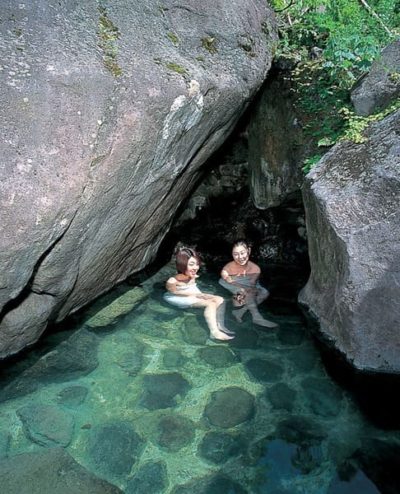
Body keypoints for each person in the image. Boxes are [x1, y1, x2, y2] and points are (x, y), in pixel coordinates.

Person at [164, 247, 234, 341]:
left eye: (197, 264)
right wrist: (195, 295)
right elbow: (174, 292)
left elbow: (193, 287)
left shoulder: (192, 275)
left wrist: (201, 294)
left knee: (221, 300)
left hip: (191, 292)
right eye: (191, 264)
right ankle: (214, 332)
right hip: (176, 296)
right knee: (211, 304)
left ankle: (221, 325)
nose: (195, 267)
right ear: (182, 265)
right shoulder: (172, 280)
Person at [219, 240, 278, 328]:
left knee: (265, 293)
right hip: (233, 286)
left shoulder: (255, 269)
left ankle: (240, 312)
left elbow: (252, 284)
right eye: (235, 254)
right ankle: (257, 317)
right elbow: (228, 280)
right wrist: (245, 289)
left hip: (246, 286)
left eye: (242, 253)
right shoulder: (227, 268)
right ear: (232, 254)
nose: (240, 257)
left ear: (249, 251)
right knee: (245, 293)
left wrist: (253, 290)